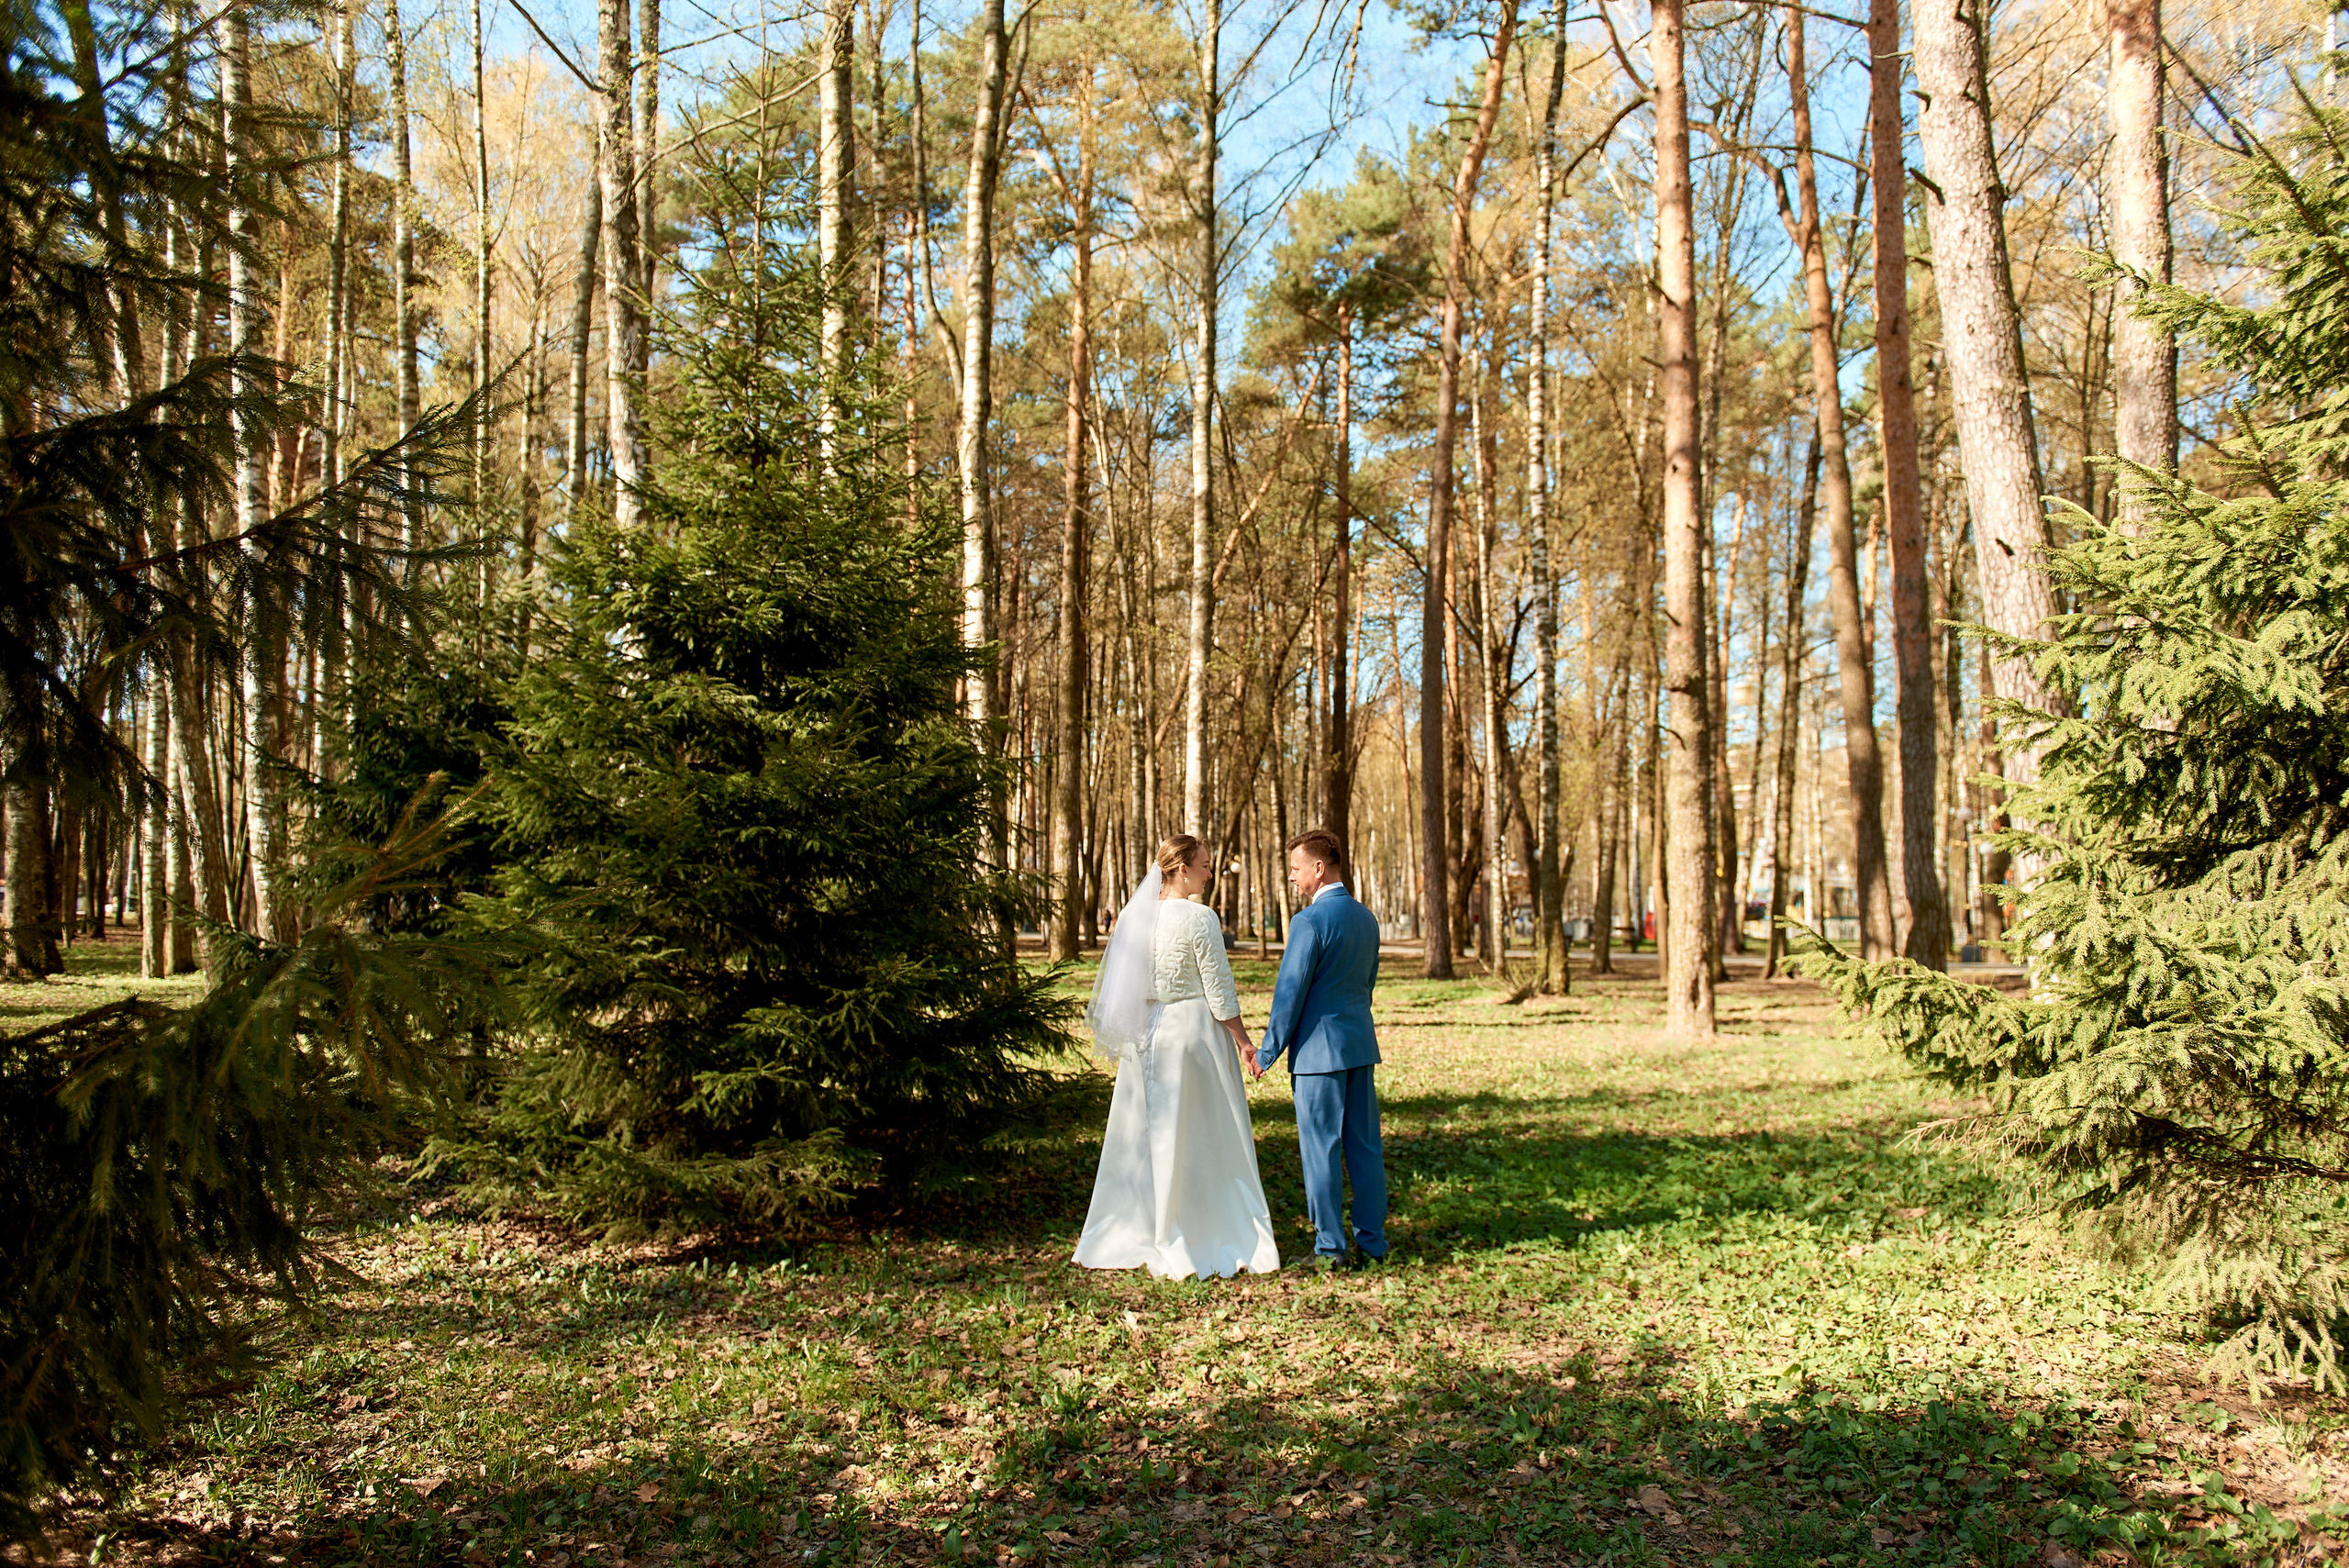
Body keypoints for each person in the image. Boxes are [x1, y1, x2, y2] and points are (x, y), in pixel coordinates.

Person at [1073, 835, 1280, 1278]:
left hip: (1143, 1036)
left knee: (1144, 1135)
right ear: (1181, 869)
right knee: (1201, 1134)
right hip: (1191, 1035)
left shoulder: (1133, 916)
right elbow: (1219, 990)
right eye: (1204, 865)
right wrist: (1244, 1042)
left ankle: (1141, 1224)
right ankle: (1200, 1225)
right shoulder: (1200, 918)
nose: (1210, 872)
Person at [1253, 828, 1388, 1272]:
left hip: (1317, 1055)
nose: (1292, 878)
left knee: (1321, 1150)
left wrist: (1267, 1052)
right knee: (1365, 1148)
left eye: (1295, 869)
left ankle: (1330, 1249)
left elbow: (1290, 993)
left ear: (1318, 867)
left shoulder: (1309, 922)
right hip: (1359, 1047)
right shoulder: (1367, 918)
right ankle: (1373, 1243)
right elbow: (1365, 985)